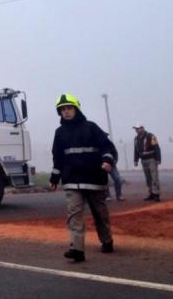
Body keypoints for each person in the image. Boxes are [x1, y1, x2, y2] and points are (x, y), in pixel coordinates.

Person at [49, 94, 115, 262]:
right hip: (72, 180)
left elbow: (107, 146)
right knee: (74, 215)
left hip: (94, 179)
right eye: (63, 109)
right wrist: (54, 178)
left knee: (100, 214)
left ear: (76, 109)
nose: (66, 112)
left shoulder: (91, 127)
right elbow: (57, 157)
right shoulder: (60, 133)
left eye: (69, 108)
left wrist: (107, 160)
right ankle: (77, 249)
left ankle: (107, 240)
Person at [133, 125, 161, 201]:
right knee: (148, 178)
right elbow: (136, 150)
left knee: (154, 177)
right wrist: (136, 160)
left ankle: (156, 194)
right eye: (136, 129)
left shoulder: (151, 136)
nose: (137, 130)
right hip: (143, 160)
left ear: (142, 128)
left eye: (138, 128)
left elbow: (156, 147)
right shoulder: (136, 139)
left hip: (152, 159)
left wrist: (158, 159)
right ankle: (151, 193)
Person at [104, 135, 124, 201]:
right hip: (102, 165)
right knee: (104, 181)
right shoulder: (96, 144)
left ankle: (119, 195)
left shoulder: (110, 143)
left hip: (111, 164)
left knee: (117, 179)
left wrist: (115, 160)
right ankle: (107, 195)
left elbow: (115, 152)